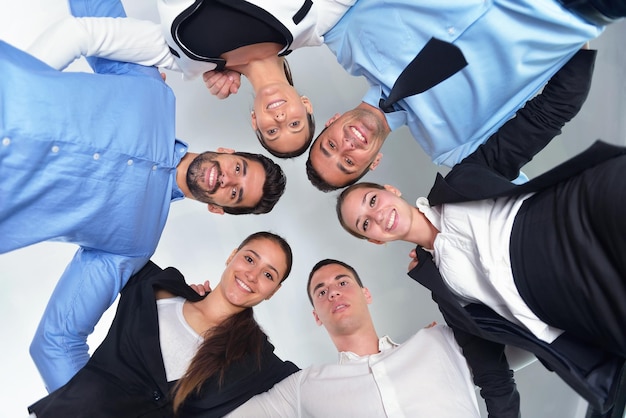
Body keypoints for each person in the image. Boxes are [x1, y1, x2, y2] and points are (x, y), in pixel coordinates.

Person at [0, 0, 287, 393]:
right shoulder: (152, 89)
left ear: (217, 208)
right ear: (226, 150)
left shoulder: (135, 245)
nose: (226, 180)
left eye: (235, 195)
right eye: (239, 168)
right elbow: (95, 10)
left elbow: (58, 342)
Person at [336, 48, 626, 415]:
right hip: (579, 307)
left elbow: (540, 120)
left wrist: (582, 40)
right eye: (365, 224)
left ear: (390, 191)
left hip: (583, 218)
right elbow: (493, 376)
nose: (377, 218)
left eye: (372, 202)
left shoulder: (465, 178)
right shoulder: (444, 292)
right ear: (376, 240)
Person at [297, 0, 625, 191]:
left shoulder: (342, 35)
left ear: (332, 120)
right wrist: (570, 37)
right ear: (374, 163)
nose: (347, 146)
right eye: (349, 162)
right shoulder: (459, 151)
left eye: (331, 146)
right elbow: (550, 113)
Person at [26, 0, 358, 158]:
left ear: (255, 120)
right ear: (306, 104)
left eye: (272, 130)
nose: (281, 118)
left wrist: (16, 92)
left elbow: (81, 34)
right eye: (295, 124)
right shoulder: (316, 19)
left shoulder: (189, 60)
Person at [27, 231, 300, 418]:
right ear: (232, 256)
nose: (252, 275)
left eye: (268, 274)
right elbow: (111, 237)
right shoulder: (156, 285)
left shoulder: (258, 359)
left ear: (273, 291)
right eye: (249, 259)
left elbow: (317, 390)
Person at [227, 259, 518, 417]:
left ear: (366, 294)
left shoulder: (438, 341)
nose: (333, 292)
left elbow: (523, 343)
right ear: (316, 315)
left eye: (342, 282)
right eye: (321, 291)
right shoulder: (303, 387)